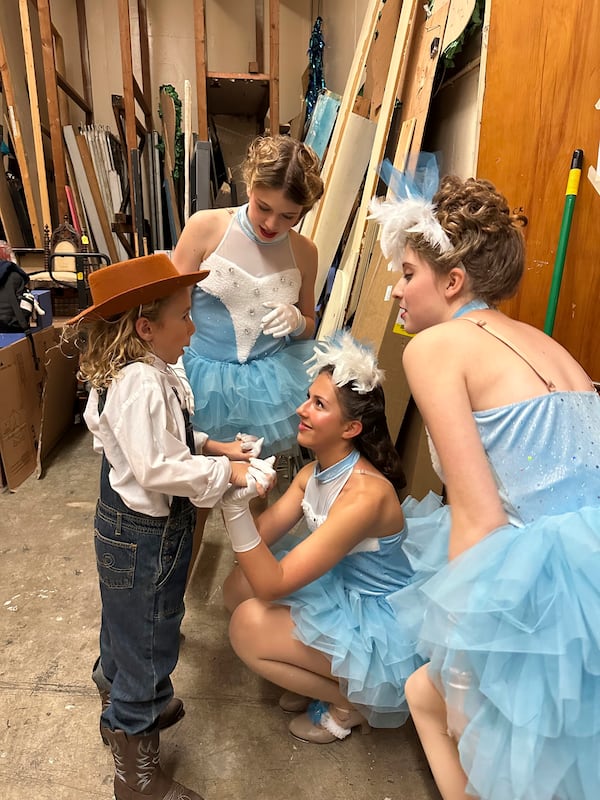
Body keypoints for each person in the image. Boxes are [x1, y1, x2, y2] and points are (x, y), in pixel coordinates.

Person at [369, 174, 600, 800]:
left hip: (549, 578)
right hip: (587, 564)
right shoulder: (550, 346)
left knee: (488, 741)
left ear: (452, 281)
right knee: (424, 692)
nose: (395, 289)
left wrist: (467, 662)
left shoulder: (437, 346)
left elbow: (477, 516)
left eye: (407, 272)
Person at [62, 254, 276, 800]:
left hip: (123, 529)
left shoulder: (142, 373)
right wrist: (226, 470)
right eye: (184, 316)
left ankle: (116, 690)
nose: (193, 326)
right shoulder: (142, 382)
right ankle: (137, 769)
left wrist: (211, 444)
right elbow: (158, 466)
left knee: (126, 620)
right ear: (145, 327)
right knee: (152, 634)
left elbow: (157, 441)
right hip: (145, 536)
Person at [219, 332, 436, 744]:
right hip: (341, 588)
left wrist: (232, 509)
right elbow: (256, 543)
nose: (301, 409)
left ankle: (350, 703)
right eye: (308, 397)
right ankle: (317, 678)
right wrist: (243, 492)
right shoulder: (310, 474)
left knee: (247, 625)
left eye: (319, 405)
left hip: (380, 625)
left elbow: (272, 581)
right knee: (237, 586)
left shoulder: (365, 496)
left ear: (352, 427)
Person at [172, 133, 323, 457]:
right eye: (263, 207)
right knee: (199, 484)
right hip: (201, 377)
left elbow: (309, 325)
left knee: (256, 484)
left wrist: (297, 321)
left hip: (266, 384)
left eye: (288, 216)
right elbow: (170, 307)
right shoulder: (205, 228)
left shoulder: (305, 252)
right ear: (250, 185)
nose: (272, 223)